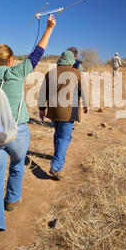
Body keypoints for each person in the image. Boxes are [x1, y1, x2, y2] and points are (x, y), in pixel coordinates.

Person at [0, 15, 56, 247]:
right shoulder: (17, 73)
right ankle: (12, 200)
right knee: (17, 164)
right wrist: (49, 28)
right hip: (18, 132)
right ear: (11, 60)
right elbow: (37, 53)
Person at [38, 50, 88, 180]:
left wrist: (42, 109)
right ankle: (56, 166)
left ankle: (56, 156)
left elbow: (43, 93)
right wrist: (86, 104)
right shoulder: (77, 73)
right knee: (65, 137)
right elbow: (84, 91)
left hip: (53, 111)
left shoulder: (50, 73)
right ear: (71, 61)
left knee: (58, 134)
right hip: (68, 112)